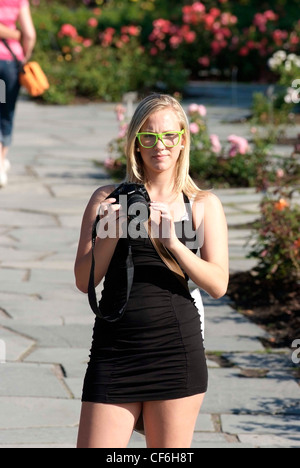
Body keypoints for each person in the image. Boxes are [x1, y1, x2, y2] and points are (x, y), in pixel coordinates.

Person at [75, 94, 229, 448]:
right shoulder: (106, 199)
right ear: (136, 142)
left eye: (169, 136)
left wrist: (174, 244)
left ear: (182, 142)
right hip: (114, 349)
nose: (160, 146)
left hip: (175, 352)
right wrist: (111, 234)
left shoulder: (202, 205)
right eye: (149, 136)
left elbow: (218, 284)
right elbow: (84, 280)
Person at [0, 0, 36, 188]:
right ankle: (1, 160)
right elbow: (29, 34)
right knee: (5, 111)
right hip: (8, 64)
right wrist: (24, 55)